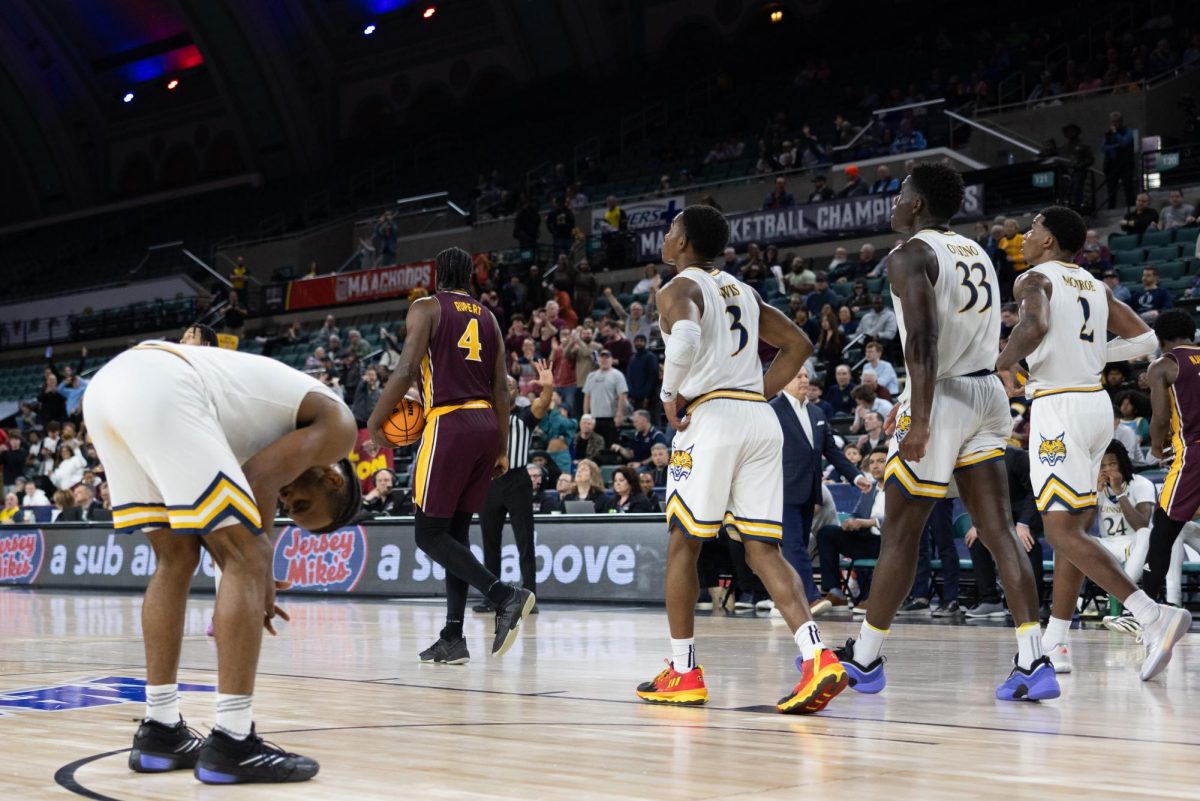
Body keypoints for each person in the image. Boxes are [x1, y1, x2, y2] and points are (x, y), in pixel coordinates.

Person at [84, 337, 362, 783]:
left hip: (107, 390)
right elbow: (261, 479)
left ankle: (160, 731)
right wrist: (259, 570)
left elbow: (248, 497)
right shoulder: (340, 429)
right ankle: (233, 741)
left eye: (293, 511)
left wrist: (249, 569)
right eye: (302, 506)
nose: (290, 504)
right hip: (161, 384)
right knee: (249, 555)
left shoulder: (263, 432)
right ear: (332, 477)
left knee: (175, 559)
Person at [836, 165, 1055, 702]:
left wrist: (922, 416)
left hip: (944, 393)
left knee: (900, 533)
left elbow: (922, 341)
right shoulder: (977, 250)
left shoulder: (910, 254)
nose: (892, 203)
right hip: (987, 393)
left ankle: (864, 659)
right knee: (1000, 530)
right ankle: (1034, 659)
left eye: (899, 194)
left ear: (916, 204)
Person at [634, 204, 848, 715]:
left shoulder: (677, 288)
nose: (665, 237)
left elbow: (684, 337)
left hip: (711, 421)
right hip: (758, 419)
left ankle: (682, 671)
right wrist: (752, 389)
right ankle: (817, 656)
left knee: (684, 543)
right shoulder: (744, 291)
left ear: (684, 242)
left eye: (670, 230)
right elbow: (798, 343)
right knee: (763, 551)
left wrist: (669, 394)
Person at [996, 206, 1189, 682]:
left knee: (1061, 532)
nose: (1025, 235)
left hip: (1059, 408)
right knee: (1074, 529)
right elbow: (1146, 339)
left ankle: (1150, 614)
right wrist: (1094, 352)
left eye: (1034, 229)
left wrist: (1003, 363)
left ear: (1050, 241)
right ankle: (1057, 641)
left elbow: (1034, 327)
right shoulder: (1093, 285)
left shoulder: (1033, 280)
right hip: (1096, 405)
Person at [368, 247, 535, 667]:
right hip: (486, 426)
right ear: (470, 278)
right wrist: (499, 447)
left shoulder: (427, 308)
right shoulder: (489, 317)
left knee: (427, 534)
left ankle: (504, 595)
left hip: (450, 422)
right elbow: (500, 387)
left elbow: (406, 369)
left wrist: (374, 422)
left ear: (436, 275)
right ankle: (453, 635)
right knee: (454, 536)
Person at [772, 367, 869, 615]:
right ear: (784, 381)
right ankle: (810, 597)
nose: (804, 379)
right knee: (793, 545)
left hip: (810, 491)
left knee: (800, 546)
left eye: (806, 376)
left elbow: (832, 451)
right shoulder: (772, 409)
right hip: (781, 490)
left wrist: (855, 475)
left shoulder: (817, 412)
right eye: (798, 375)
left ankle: (787, 598)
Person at [475, 363, 555, 614]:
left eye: (510, 385)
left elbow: (542, 404)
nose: (506, 388)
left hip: (518, 480)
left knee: (525, 541)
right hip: (489, 482)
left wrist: (549, 387)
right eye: (502, 384)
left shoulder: (524, 415)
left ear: (516, 391)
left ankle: (529, 597)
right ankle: (493, 597)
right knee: (490, 543)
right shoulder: (483, 415)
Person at [1139, 310, 1200, 615]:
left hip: (1193, 454)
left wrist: (1156, 446)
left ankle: (1143, 609)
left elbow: (1161, 418)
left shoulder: (1164, 365)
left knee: (1163, 528)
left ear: (1160, 338)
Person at [816, 447, 888, 610]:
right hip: (866, 540)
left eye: (881, 461)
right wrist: (850, 521)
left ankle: (876, 599)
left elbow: (899, 520)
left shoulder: (899, 489)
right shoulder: (870, 489)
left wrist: (869, 522)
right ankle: (836, 592)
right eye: (871, 462)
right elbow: (856, 513)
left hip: (888, 542)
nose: (875, 466)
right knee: (827, 533)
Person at [582, 350, 628, 446]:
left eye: (607, 358)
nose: (604, 360)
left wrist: (619, 414)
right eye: (601, 358)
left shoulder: (617, 375)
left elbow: (622, 395)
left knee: (611, 445)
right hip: (594, 418)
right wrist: (586, 415)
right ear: (598, 360)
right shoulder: (591, 376)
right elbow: (587, 396)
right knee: (595, 446)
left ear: (611, 360)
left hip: (611, 417)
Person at [1101, 111, 1136, 210]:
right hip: (1111, 164)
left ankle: (1131, 206)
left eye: (1116, 122)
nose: (1114, 124)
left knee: (1128, 186)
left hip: (1125, 163)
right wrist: (1116, 146)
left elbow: (1125, 142)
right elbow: (1103, 148)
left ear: (1121, 121)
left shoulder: (1128, 130)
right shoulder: (1107, 134)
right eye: (1112, 122)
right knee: (1111, 188)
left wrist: (1116, 134)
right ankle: (1111, 208)